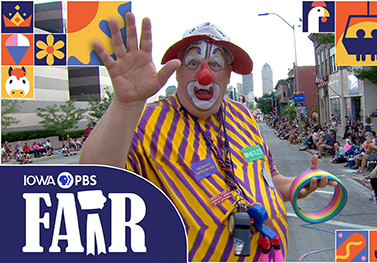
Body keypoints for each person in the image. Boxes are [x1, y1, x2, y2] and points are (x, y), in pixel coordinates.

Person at [80, 13, 335, 262]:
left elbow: (268, 178)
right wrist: (126, 104)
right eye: (192, 63)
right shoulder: (145, 120)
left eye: (215, 65)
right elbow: (95, 180)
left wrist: (298, 185)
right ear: (177, 71)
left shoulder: (242, 114)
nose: (205, 74)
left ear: (229, 75)